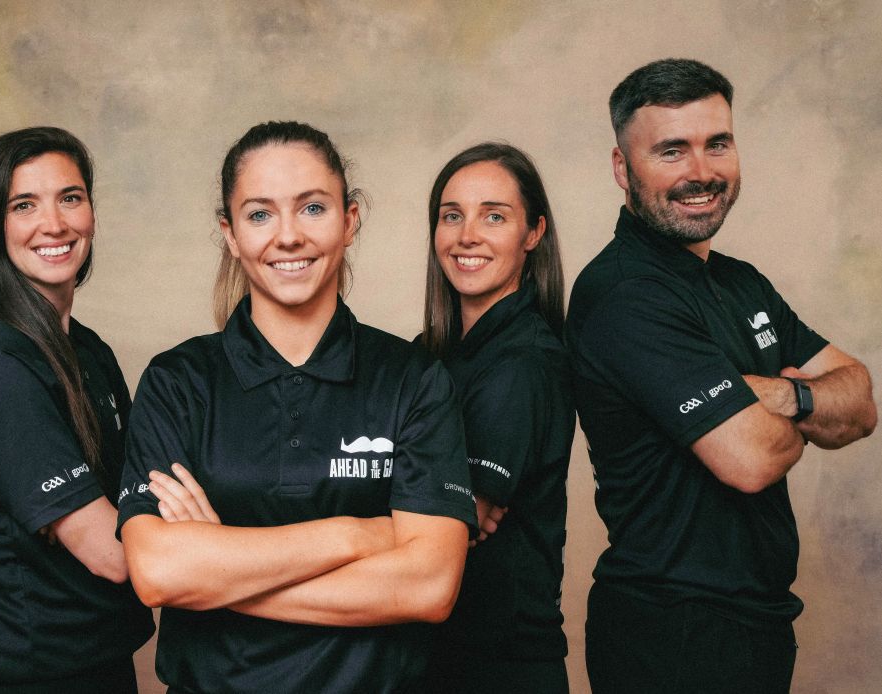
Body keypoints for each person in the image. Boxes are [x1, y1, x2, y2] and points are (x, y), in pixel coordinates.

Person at [116, 121, 478, 693]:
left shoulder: (412, 379)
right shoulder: (177, 382)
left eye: (312, 208)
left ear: (350, 219)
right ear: (229, 233)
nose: (288, 236)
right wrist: (356, 536)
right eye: (259, 214)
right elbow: (160, 572)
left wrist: (222, 571)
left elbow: (428, 587)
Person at [566, 58, 877, 692]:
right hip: (671, 632)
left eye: (718, 144)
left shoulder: (741, 282)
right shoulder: (625, 293)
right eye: (671, 151)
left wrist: (779, 393)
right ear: (623, 168)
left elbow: (863, 402)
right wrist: (807, 410)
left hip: (754, 623)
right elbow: (752, 459)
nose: (701, 173)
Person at [0, 126, 154, 693]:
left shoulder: (89, 351)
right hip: (29, 680)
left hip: (100, 666)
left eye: (70, 198)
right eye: (23, 205)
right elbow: (114, 553)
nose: (55, 224)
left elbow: (135, 497)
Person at [417, 143, 574, 692]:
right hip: (431, 655)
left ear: (533, 233)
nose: (467, 236)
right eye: (452, 215)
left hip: (500, 666)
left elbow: (460, 527)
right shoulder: (432, 354)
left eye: (494, 216)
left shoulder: (525, 362)